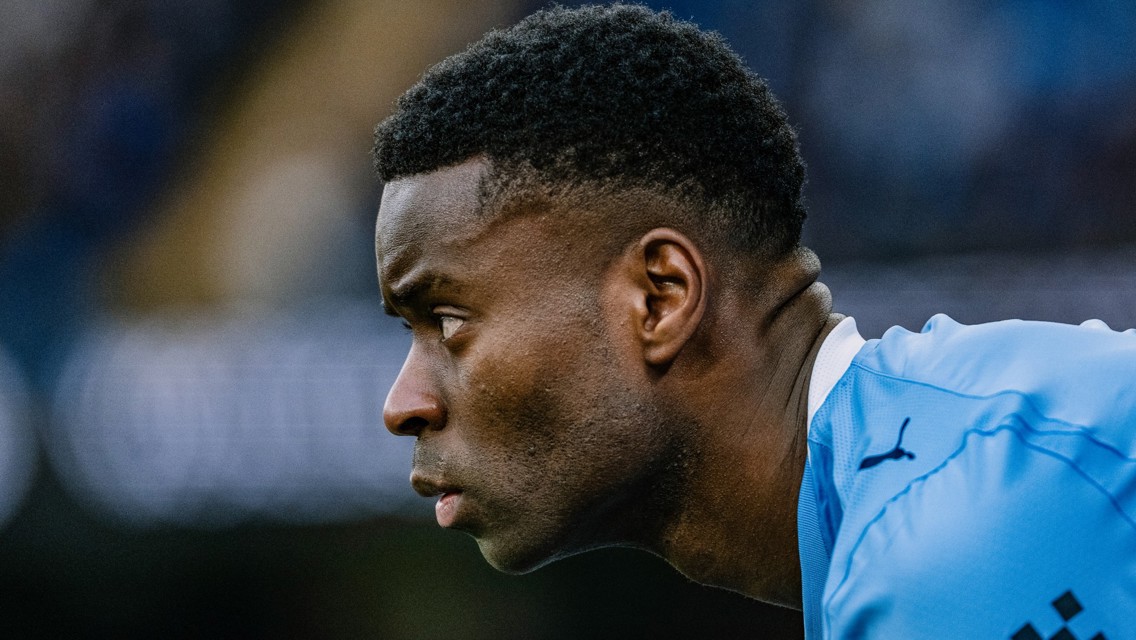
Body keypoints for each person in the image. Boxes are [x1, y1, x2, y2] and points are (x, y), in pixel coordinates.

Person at [371, 5, 1136, 638]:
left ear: (660, 298)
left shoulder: (941, 548)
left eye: (447, 319)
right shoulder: (921, 485)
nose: (403, 404)